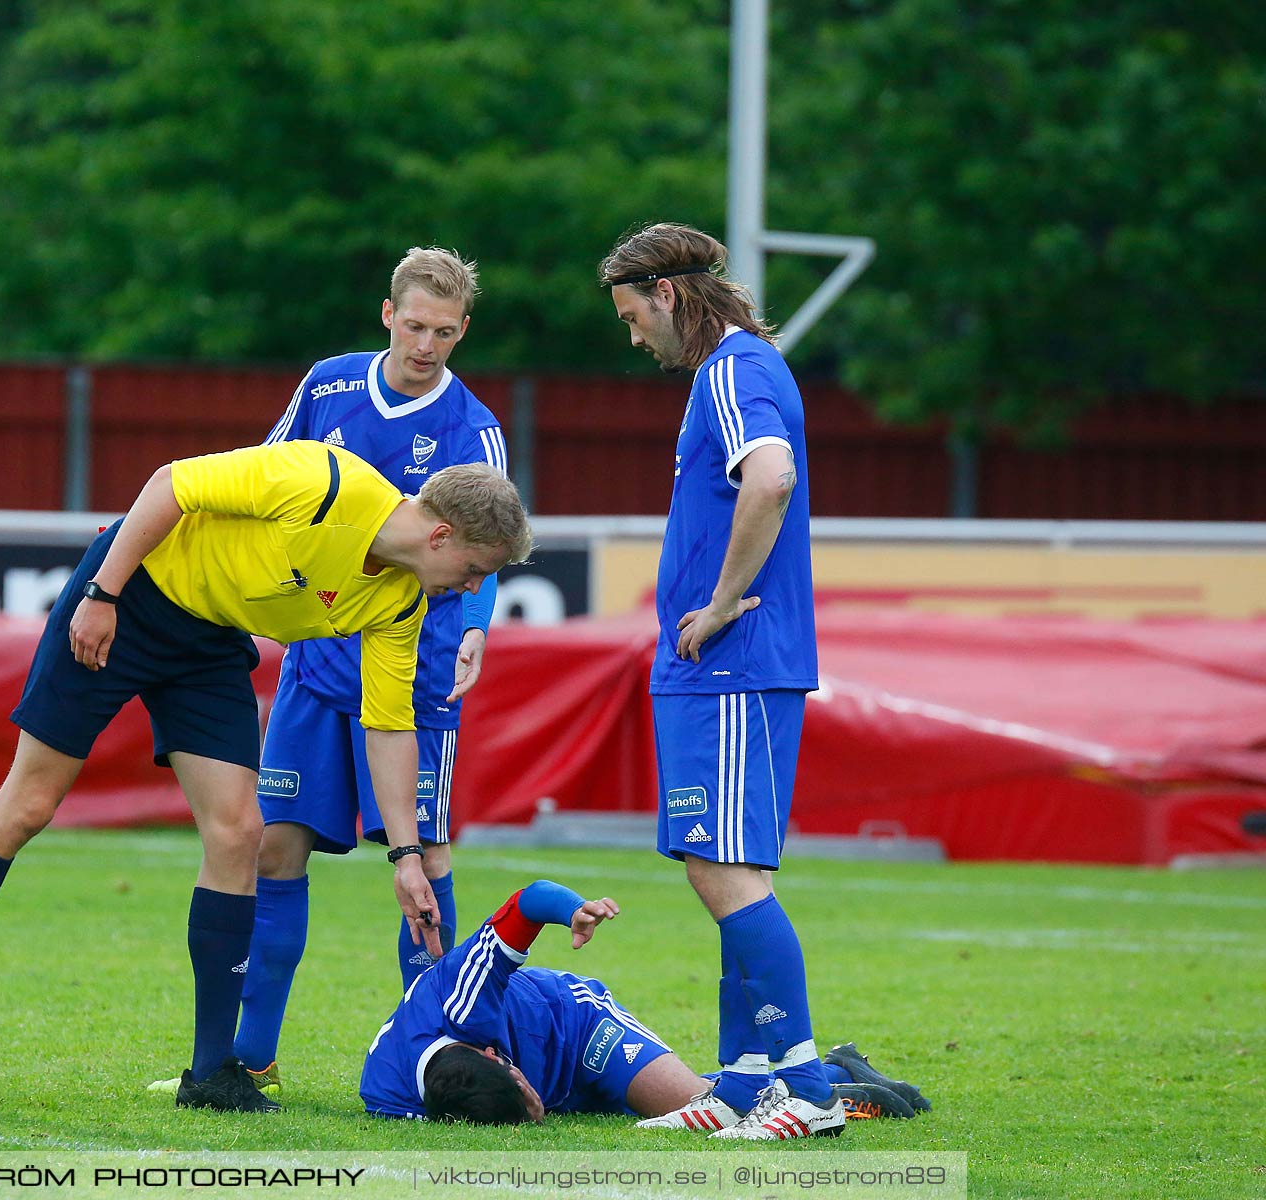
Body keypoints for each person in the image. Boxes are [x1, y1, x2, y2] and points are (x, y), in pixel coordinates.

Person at [0, 440, 533, 1111]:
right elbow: (168, 486)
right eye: (477, 569)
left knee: (242, 832)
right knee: (27, 807)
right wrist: (102, 593)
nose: (475, 589)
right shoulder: (324, 482)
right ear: (442, 535)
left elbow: (387, 725)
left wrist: (406, 855)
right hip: (131, 596)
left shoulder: (399, 603)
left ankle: (211, 1074)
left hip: (207, 643)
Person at [229, 248, 508, 1095]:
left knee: (424, 854)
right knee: (274, 848)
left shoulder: (475, 427)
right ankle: (250, 1059)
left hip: (415, 676)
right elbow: (270, 479)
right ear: (388, 314)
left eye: (446, 333)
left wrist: (473, 628)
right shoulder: (329, 386)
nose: (427, 345)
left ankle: (433, 1057)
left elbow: (487, 546)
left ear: (464, 332)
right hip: (317, 663)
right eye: (415, 326)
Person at [597, 221, 835, 1140]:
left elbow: (767, 479)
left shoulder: (732, 369)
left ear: (668, 295)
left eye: (631, 315)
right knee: (725, 868)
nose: (633, 337)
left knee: (723, 872)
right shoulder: (742, 368)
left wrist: (724, 601)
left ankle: (805, 1086)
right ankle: (739, 1085)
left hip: (731, 665)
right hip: (730, 670)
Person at [361, 880, 929, 1127]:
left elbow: (528, 900)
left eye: (523, 1096)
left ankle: (835, 1082)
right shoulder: (386, 1094)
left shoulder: (463, 990)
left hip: (580, 1029)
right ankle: (842, 1062)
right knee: (676, 1108)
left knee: (707, 1110)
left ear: (493, 1055)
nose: (532, 1109)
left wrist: (573, 909)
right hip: (564, 1082)